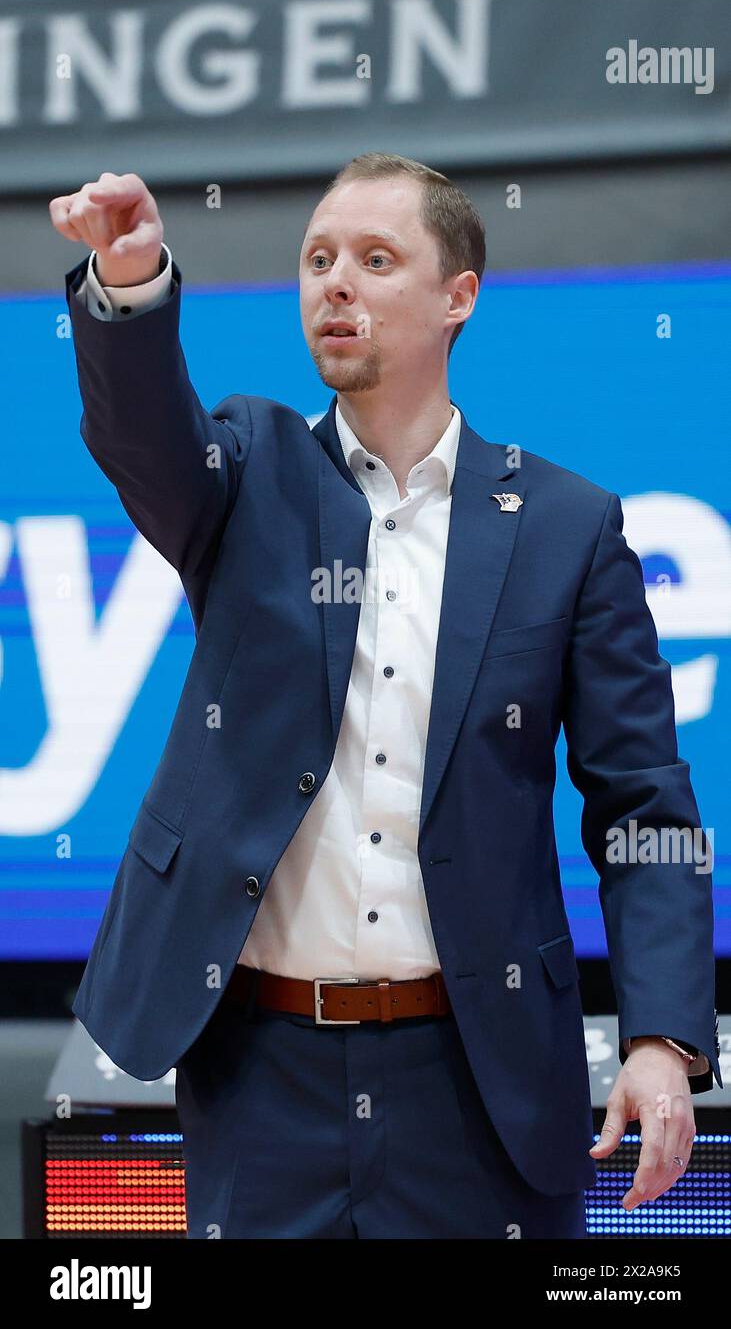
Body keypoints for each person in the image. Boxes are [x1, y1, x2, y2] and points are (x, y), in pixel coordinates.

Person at [49, 153, 720, 1239]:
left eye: (373, 259)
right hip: (259, 1073)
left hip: (480, 1075)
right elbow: (141, 439)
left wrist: (660, 1036)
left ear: (458, 296)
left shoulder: (566, 527)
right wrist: (128, 282)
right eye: (316, 260)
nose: (334, 284)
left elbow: (642, 803)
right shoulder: (248, 472)